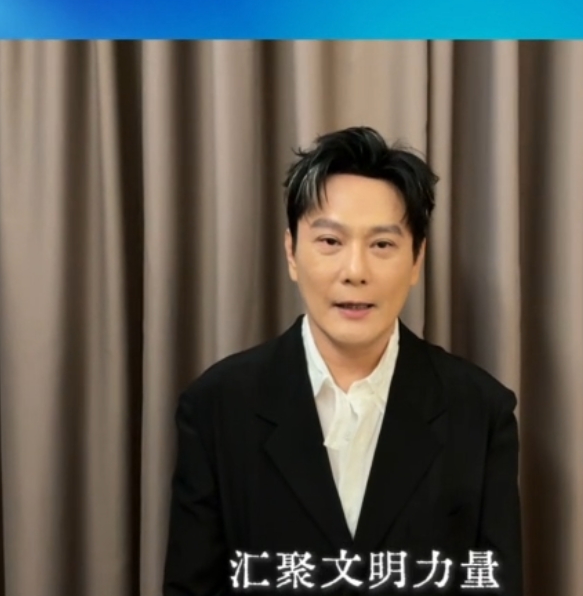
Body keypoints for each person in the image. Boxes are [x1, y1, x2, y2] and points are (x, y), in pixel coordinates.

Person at [163, 127, 522, 596]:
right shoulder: (217, 407)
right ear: (292, 252)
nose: (355, 271)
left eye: (382, 245)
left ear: (416, 260)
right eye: (330, 241)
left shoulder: (480, 412)